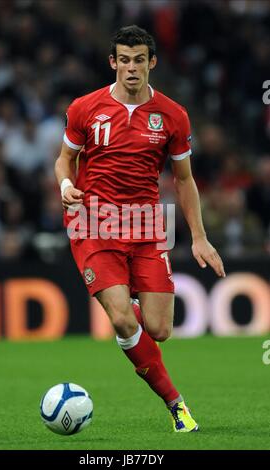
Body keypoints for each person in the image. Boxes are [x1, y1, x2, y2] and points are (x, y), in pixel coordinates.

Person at [55, 25, 225, 433]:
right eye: (123, 60)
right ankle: (176, 404)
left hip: (146, 225)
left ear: (152, 62)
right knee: (122, 322)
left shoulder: (173, 115)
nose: (131, 68)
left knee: (160, 329)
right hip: (93, 222)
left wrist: (199, 236)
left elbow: (184, 180)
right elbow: (65, 159)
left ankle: (128, 311)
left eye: (139, 60)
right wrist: (65, 185)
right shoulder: (85, 108)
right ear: (113, 63)